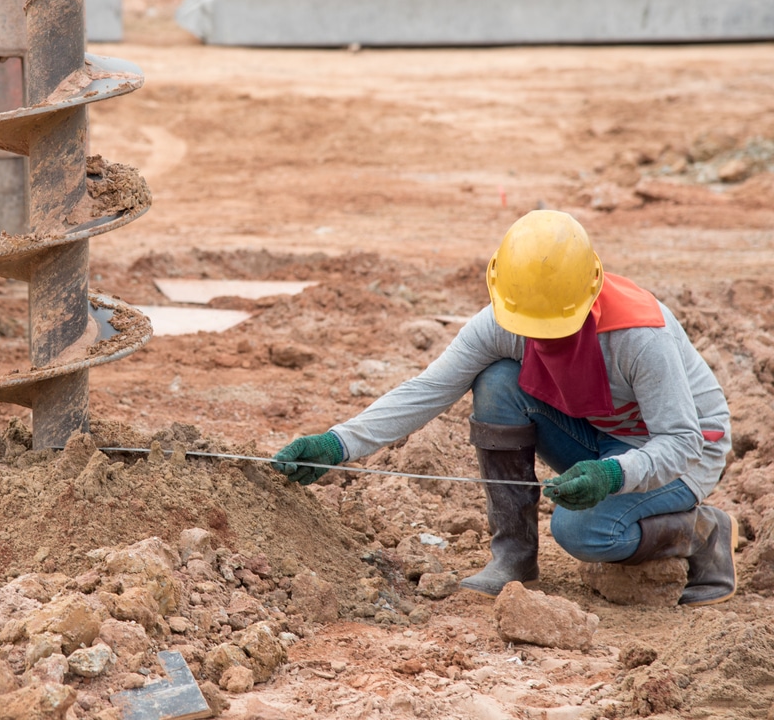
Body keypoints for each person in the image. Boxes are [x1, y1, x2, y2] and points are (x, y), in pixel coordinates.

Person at [272, 210, 737, 606]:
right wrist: (338, 443)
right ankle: (513, 554)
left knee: (583, 533)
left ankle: (703, 530)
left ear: (588, 294)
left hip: (682, 453)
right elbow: (430, 388)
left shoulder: (638, 337)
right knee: (497, 382)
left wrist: (614, 474)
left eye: (555, 326)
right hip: (598, 434)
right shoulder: (503, 319)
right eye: (530, 326)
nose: (541, 337)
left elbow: (681, 440)